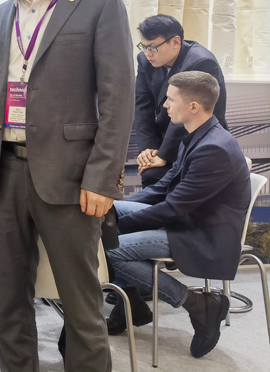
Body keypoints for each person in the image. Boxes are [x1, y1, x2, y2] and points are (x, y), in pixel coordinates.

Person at [0, 0, 134, 371]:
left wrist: (103, 178)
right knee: (9, 298)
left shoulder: (99, 6)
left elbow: (118, 99)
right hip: (3, 175)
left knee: (81, 303)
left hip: (71, 179)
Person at [107, 71, 250, 359]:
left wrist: (119, 226)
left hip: (203, 234)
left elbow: (173, 208)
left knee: (109, 249)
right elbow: (164, 187)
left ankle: (196, 303)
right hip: (186, 221)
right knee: (108, 211)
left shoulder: (213, 149)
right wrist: (120, 209)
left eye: (171, 100)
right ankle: (130, 303)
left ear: (193, 106)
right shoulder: (199, 135)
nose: (165, 106)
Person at [135, 15, 228, 187]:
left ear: (175, 42)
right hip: (165, 141)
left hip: (197, 143)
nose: (147, 53)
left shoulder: (201, 62)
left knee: (162, 180)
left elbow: (190, 113)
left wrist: (164, 155)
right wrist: (148, 149)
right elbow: (142, 106)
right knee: (150, 174)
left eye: (153, 47)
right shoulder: (145, 60)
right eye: (144, 46)